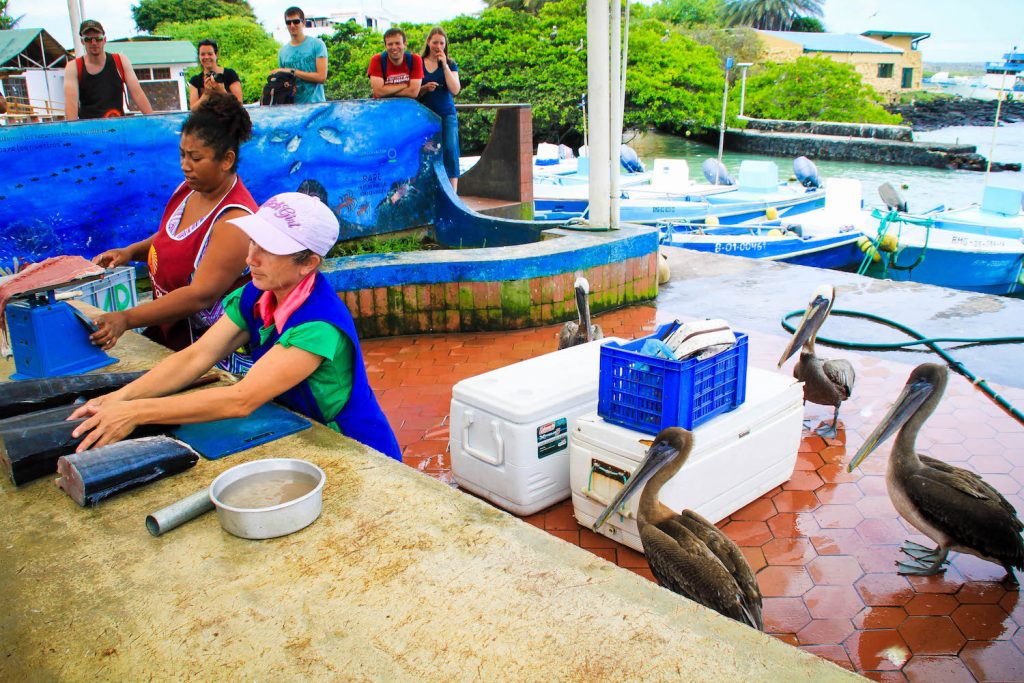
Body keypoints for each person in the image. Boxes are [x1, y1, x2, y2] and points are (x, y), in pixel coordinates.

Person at [70, 192, 403, 462]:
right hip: (302, 431)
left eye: (269, 249)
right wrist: (117, 399)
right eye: (253, 241)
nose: (251, 258)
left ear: (308, 264)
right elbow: (197, 356)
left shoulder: (317, 325)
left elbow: (241, 399)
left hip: (354, 449)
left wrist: (135, 413)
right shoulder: (258, 293)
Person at [90, 92, 257, 366]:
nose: (185, 166)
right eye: (182, 155)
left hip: (209, 356)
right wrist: (130, 252)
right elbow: (173, 238)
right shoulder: (189, 190)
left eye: (195, 158)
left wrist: (127, 318)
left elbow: (199, 296)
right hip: (171, 338)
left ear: (226, 160)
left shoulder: (234, 220)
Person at [63, 19, 153, 120]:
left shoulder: (121, 61)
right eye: (88, 39)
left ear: (104, 40)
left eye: (98, 38)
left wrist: (153, 121)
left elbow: (138, 94)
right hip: (90, 130)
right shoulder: (73, 67)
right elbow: (71, 104)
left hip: (118, 126)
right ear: (82, 41)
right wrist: (73, 131)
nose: (94, 43)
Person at [418, 27, 462, 191]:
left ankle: (453, 193)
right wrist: (424, 88)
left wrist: (444, 66)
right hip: (426, 115)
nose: (438, 46)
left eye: (441, 43)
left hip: (446, 114)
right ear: (428, 42)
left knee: (451, 150)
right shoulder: (419, 63)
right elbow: (414, 91)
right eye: (435, 42)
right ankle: (431, 190)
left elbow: (455, 89)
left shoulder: (451, 64)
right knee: (427, 152)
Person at [274, 7, 327, 104]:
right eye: (288, 22)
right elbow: (284, 82)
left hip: (317, 106)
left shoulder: (317, 44)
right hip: (293, 110)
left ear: (303, 22)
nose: (292, 25)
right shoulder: (282, 52)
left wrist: (292, 71)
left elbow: (321, 77)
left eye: (296, 21)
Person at [367, 28, 423, 99]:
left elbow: (413, 93)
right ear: (385, 46)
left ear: (404, 44)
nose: (394, 47)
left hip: (407, 106)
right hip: (383, 107)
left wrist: (386, 91)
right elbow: (379, 93)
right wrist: (404, 85)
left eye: (397, 43)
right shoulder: (377, 60)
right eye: (390, 44)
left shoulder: (415, 59)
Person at [188, 39, 243, 110]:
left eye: (210, 54)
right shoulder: (195, 81)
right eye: (202, 54)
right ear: (199, 56)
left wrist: (221, 90)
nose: (206, 57)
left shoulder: (230, 74)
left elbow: (239, 104)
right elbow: (193, 109)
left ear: (216, 55)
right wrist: (206, 94)